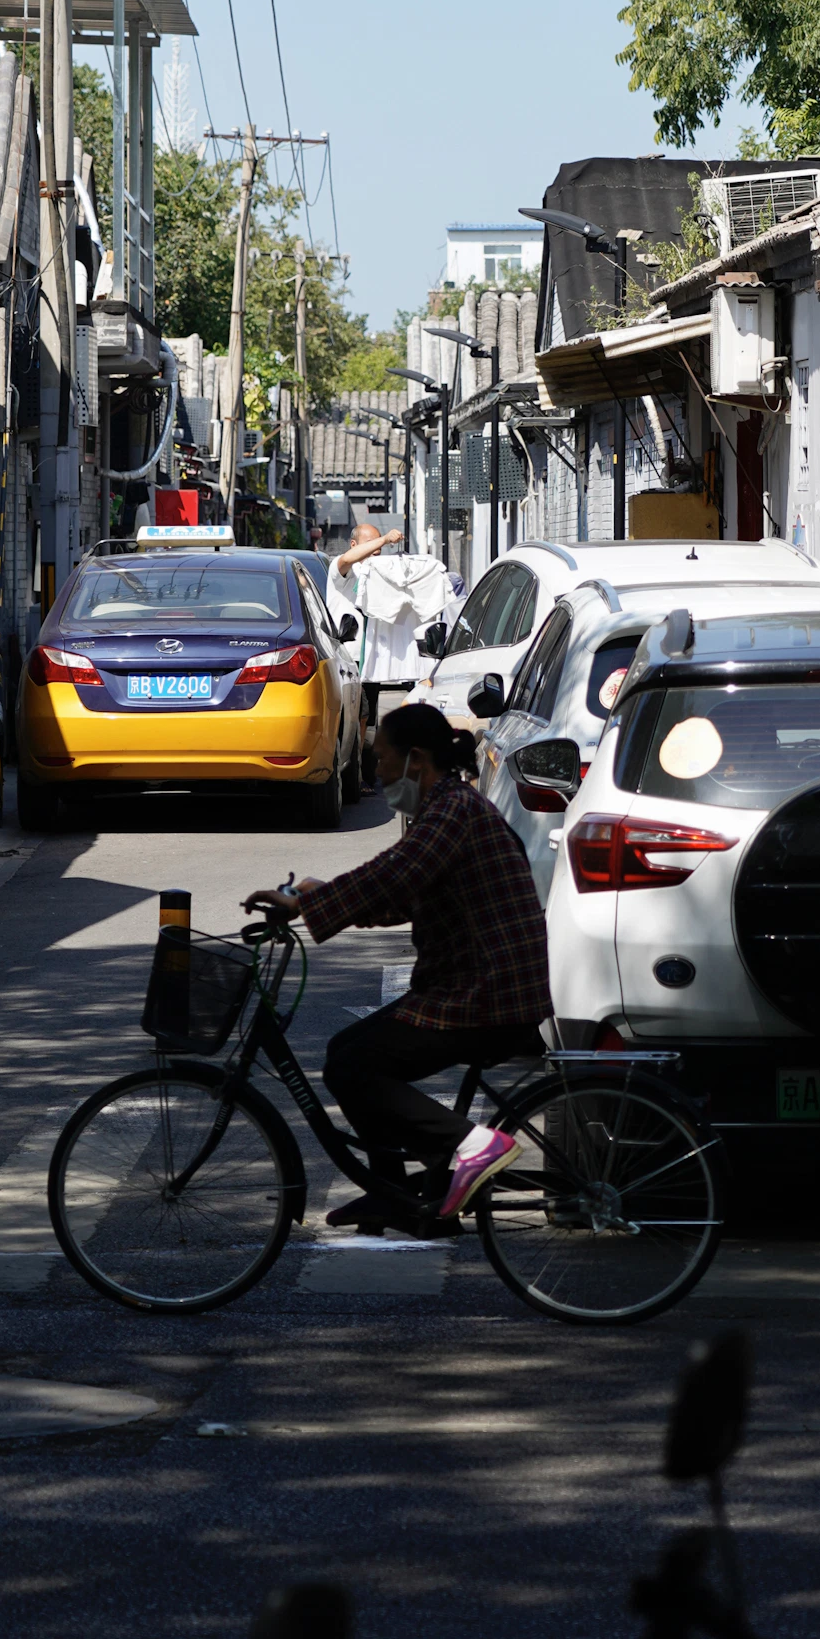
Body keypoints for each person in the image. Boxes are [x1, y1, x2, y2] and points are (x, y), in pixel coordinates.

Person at [247, 702, 549, 1232]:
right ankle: (393, 1192)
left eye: (381, 758)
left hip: (487, 994)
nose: (377, 771)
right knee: (348, 1053)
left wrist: (311, 905)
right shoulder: (443, 808)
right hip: (473, 985)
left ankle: (473, 1145)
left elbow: (396, 874)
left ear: (414, 760)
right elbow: (404, 894)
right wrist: (325, 896)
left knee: (352, 1064)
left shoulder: (452, 810)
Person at [330, 522, 455, 786]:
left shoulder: (382, 574)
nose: (377, 555)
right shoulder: (341, 570)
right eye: (371, 547)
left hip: (372, 659)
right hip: (349, 660)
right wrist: (385, 539)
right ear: (355, 545)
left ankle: (364, 774)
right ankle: (353, 775)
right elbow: (348, 560)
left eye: (380, 549)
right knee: (358, 716)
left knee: (369, 720)